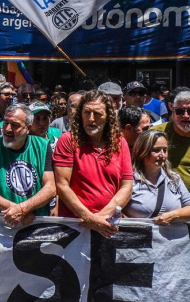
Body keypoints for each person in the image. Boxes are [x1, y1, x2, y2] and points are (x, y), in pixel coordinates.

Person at [52, 90, 133, 238]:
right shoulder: (68, 140)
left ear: (108, 116)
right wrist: (88, 217)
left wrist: (101, 217)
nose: (91, 119)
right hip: (75, 227)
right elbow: (62, 185)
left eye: (97, 114)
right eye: (86, 113)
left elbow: (127, 186)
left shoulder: (119, 142)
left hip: (108, 226)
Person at [0, 104, 57, 227]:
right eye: (5, 123)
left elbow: (50, 188)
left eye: (15, 125)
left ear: (28, 128)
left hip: (35, 223)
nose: (8, 129)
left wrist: (23, 209)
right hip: (0, 224)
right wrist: (18, 210)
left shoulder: (42, 146)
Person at [124, 130, 190, 224]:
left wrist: (173, 215)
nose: (162, 155)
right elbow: (117, 210)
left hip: (173, 238)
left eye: (165, 150)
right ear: (142, 151)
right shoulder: (129, 180)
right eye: (156, 150)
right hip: (139, 237)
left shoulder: (174, 179)